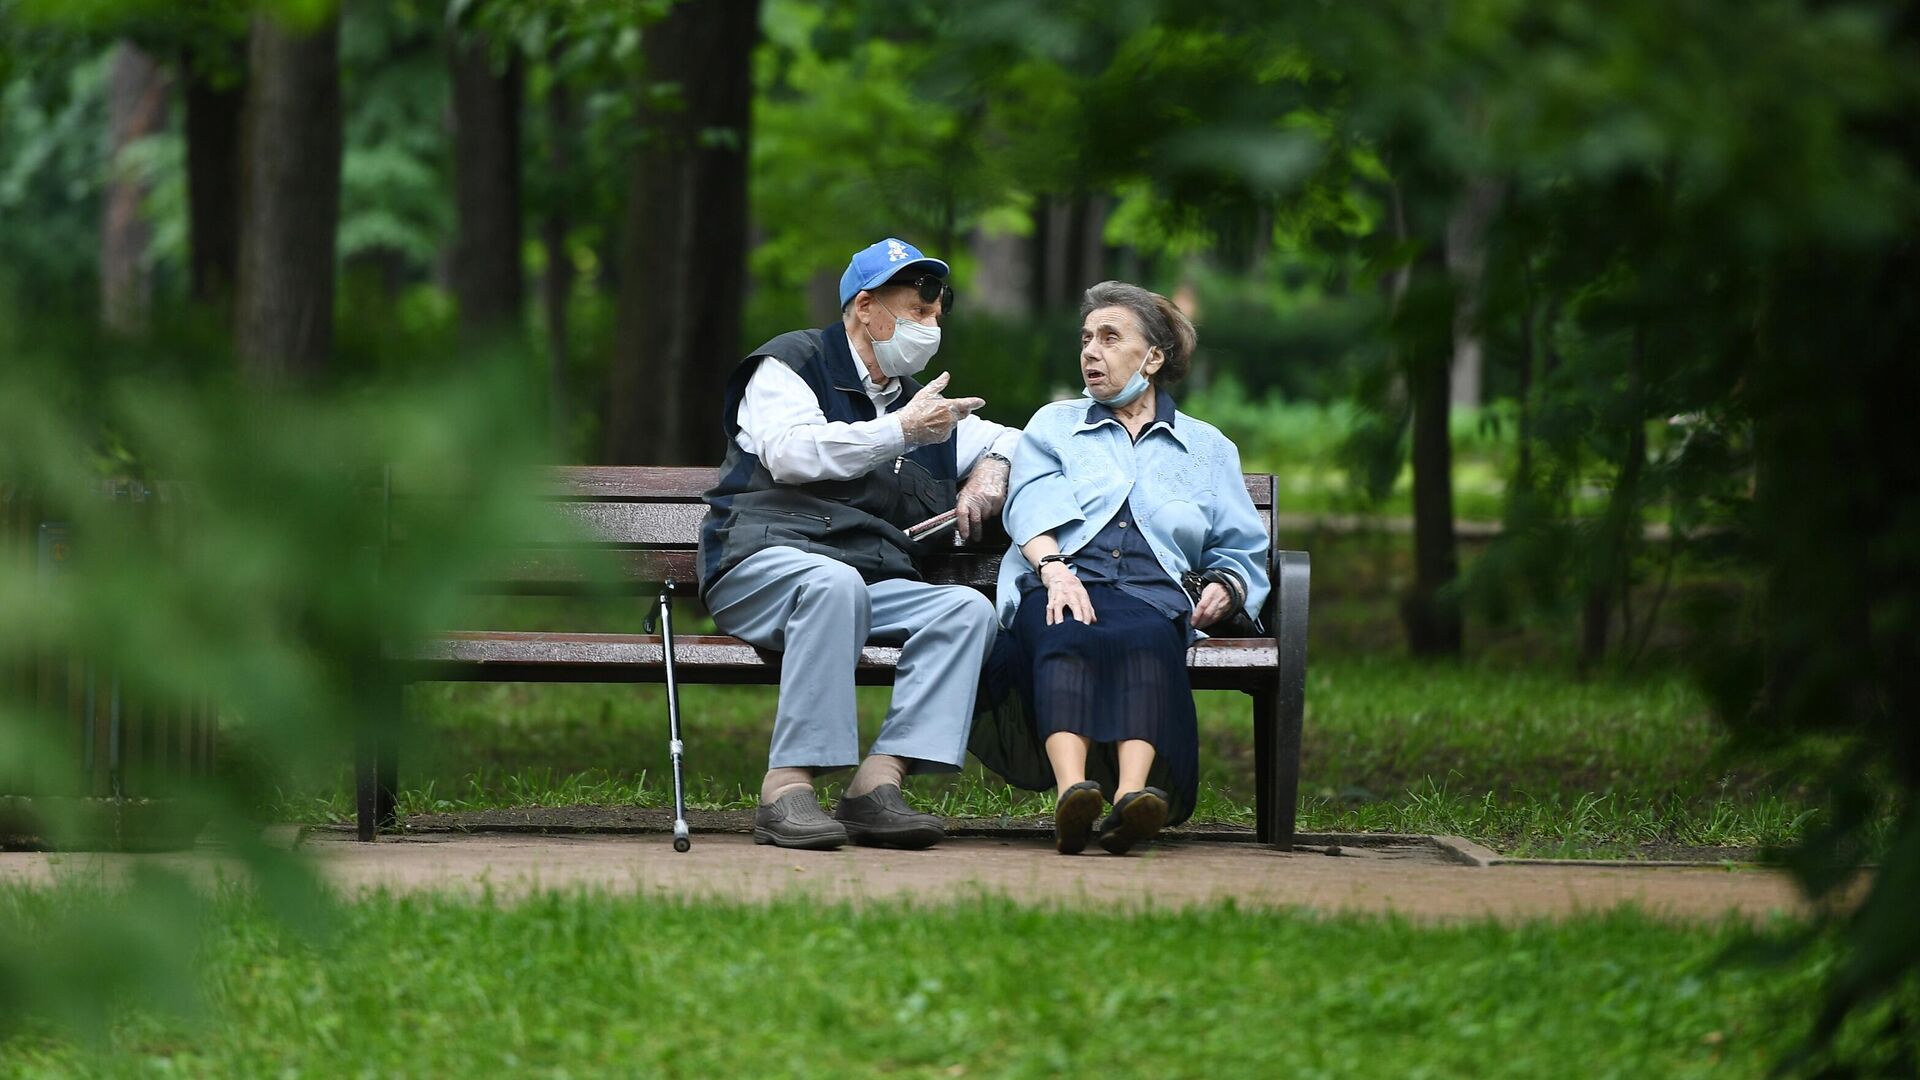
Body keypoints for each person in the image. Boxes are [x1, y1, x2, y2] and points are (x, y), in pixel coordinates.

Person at [697, 238, 1018, 851]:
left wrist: (989, 472)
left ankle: (878, 786)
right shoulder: (791, 363)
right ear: (865, 308)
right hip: (762, 564)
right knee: (832, 583)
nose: (930, 327)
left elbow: (1018, 439)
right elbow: (791, 453)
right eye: (916, 313)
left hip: (862, 580)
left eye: (935, 316)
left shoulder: (921, 404)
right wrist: (899, 431)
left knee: (966, 610)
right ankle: (785, 787)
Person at [973, 281, 1270, 855]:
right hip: (1063, 576)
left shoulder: (1209, 448)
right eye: (1086, 338)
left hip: (1151, 591)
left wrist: (1227, 587)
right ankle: (1072, 796)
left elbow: (1239, 545)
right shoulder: (1055, 426)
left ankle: (1133, 799)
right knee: (1063, 629)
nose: (1090, 351)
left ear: (1153, 358)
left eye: (1110, 338)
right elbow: (1029, 502)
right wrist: (1055, 570)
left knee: (1148, 640)